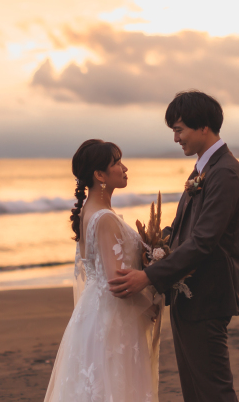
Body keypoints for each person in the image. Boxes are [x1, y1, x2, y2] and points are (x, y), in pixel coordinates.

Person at [109, 91, 239, 402]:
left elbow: (203, 241)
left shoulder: (224, 173)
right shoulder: (203, 170)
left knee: (213, 390)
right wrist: (151, 247)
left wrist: (149, 276)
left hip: (208, 295)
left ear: (204, 127)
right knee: (195, 391)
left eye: (179, 129)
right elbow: (183, 229)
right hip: (190, 296)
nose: (176, 139)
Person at [44, 139, 163, 402]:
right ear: (100, 175)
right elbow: (116, 282)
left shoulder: (89, 211)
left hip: (94, 316)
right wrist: (151, 302)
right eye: (117, 163)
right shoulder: (105, 218)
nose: (124, 168)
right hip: (113, 322)